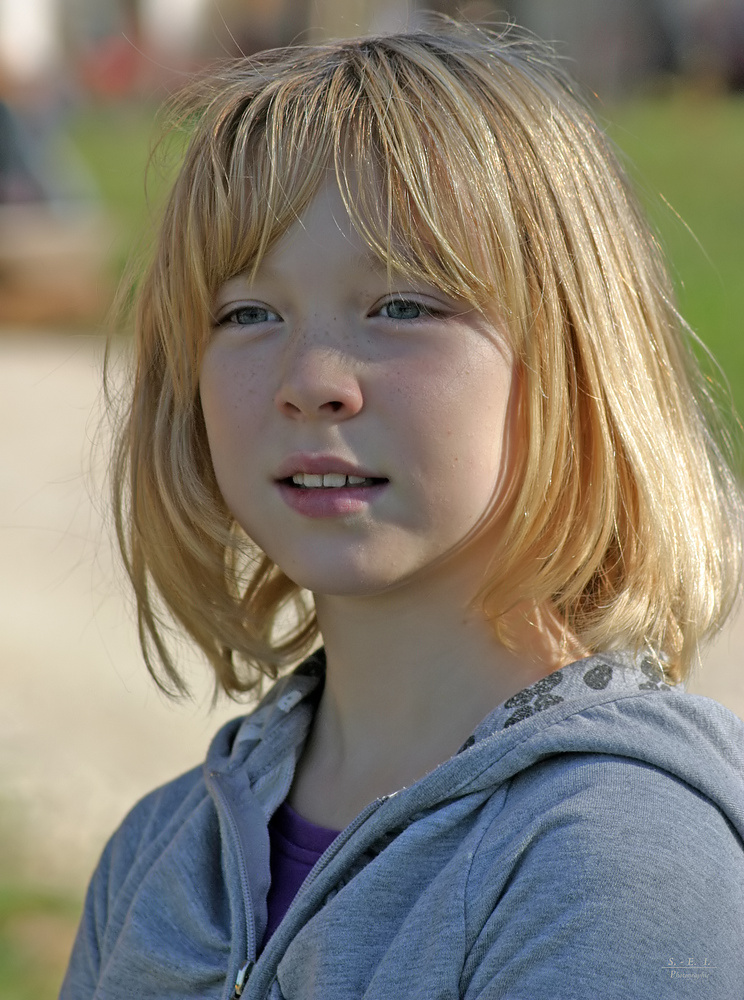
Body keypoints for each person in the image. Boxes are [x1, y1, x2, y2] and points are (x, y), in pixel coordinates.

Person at [60, 18, 744, 999]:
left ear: (575, 361)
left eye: (404, 306)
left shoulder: (619, 859)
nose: (312, 381)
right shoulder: (156, 857)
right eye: (249, 313)